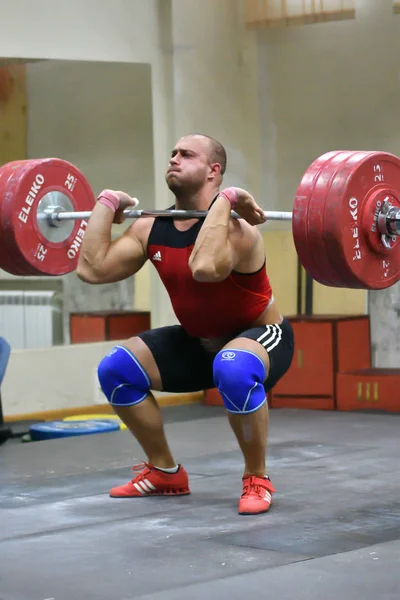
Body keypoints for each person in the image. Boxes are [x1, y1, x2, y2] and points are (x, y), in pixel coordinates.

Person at [77, 133, 294, 515]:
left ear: (214, 171)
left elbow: (205, 268)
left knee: (234, 365)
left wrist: (226, 202)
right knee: (116, 369)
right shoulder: (150, 227)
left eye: (186, 154)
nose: (173, 159)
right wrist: (106, 203)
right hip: (200, 343)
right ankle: (164, 471)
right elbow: (92, 269)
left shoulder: (239, 230)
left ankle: (256, 477)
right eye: (172, 153)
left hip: (261, 338)